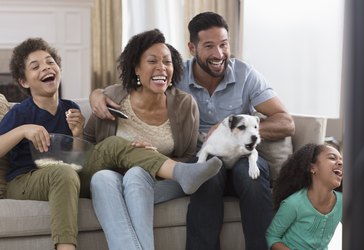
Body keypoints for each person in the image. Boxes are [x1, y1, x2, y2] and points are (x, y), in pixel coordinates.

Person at [90, 12, 295, 250]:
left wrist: (232, 132)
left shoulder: (245, 74)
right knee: (205, 175)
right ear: (192, 48)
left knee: (251, 176)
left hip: (242, 156)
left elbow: (286, 122)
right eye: (209, 46)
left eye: (224, 44)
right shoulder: (175, 75)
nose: (219, 54)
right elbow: (135, 86)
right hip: (202, 159)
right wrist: (96, 94)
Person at [0, 37, 221, 250]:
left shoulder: (70, 109)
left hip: (67, 173)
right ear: (23, 81)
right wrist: (23, 130)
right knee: (63, 173)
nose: (46, 68)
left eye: (50, 62)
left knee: (114, 143)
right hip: (25, 180)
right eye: (35, 66)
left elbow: (76, 158)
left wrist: (77, 133)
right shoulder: (21, 112)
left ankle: (181, 172)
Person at [86, 29, 218, 250]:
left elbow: (188, 155)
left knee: (137, 175)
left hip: (162, 181)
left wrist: (154, 160)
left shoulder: (185, 104)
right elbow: (90, 144)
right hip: (114, 176)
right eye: (152, 61)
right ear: (137, 68)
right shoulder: (113, 97)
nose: (161, 68)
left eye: (167, 62)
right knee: (101, 178)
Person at [266, 143, 343, 249]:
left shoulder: (343, 202)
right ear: (312, 168)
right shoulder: (293, 203)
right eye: (332, 158)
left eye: (341, 160)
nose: (340, 163)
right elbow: (272, 236)